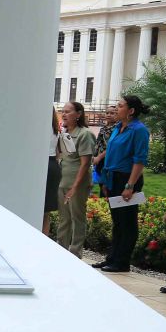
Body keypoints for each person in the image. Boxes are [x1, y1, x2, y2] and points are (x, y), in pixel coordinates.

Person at [95, 94, 149, 273]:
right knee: (117, 221)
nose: (116, 108)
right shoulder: (118, 127)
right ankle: (112, 258)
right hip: (112, 178)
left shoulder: (139, 130)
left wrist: (130, 185)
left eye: (120, 106)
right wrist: (104, 181)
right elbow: (110, 154)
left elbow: (139, 159)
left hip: (127, 179)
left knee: (127, 221)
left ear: (131, 111)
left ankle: (122, 261)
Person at [55, 101, 96, 258]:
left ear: (78, 114)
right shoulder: (64, 134)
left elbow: (85, 163)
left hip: (76, 183)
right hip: (62, 181)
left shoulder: (85, 134)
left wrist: (74, 187)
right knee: (63, 218)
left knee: (77, 217)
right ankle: (61, 250)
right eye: (62, 111)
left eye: (68, 111)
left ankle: (75, 252)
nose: (64, 114)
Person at [44, 107, 63, 235]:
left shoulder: (41, 129)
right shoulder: (56, 130)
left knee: (38, 205)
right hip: (53, 166)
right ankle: (44, 236)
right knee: (47, 210)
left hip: (43, 165)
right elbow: (58, 153)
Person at [93, 103, 118, 193]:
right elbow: (98, 143)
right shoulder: (103, 128)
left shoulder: (118, 129)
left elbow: (113, 147)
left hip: (110, 160)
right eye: (107, 113)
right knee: (101, 184)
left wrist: (99, 157)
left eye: (112, 113)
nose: (108, 115)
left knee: (108, 186)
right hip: (100, 161)